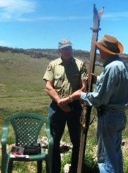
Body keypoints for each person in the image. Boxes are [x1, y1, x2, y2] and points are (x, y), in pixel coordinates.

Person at [69, 34, 128, 173]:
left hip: (109, 116)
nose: (99, 52)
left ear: (106, 51)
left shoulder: (111, 67)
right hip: (119, 116)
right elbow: (114, 85)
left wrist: (80, 95)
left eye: (100, 49)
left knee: (106, 158)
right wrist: (99, 79)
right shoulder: (121, 64)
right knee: (115, 155)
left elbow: (100, 98)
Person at [43, 39, 87, 173]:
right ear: (59, 50)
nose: (67, 51)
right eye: (64, 49)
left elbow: (84, 87)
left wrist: (67, 100)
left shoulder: (80, 65)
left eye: (69, 48)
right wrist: (60, 102)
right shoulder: (53, 65)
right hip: (57, 108)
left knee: (77, 141)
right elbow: (48, 86)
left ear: (72, 49)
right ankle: (54, 170)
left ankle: (75, 169)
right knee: (53, 142)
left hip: (74, 107)